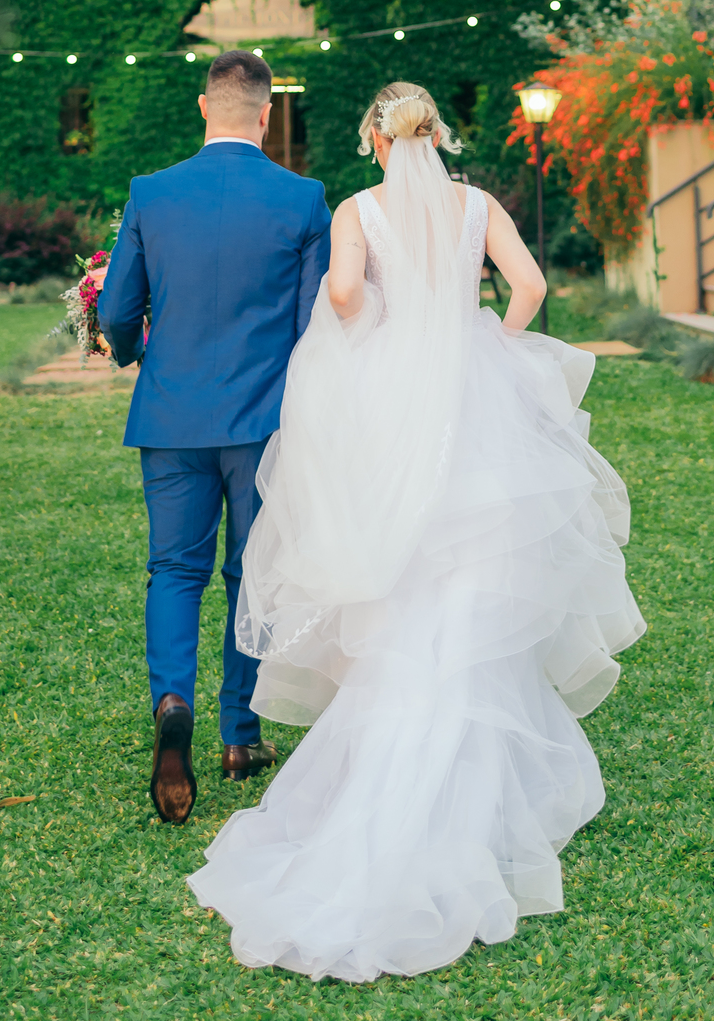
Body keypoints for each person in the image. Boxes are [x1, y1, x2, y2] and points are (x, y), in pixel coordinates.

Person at [188, 80, 646, 983]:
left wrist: (379, 333)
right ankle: (472, 769)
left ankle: (395, 748)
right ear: (437, 132)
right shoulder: (478, 203)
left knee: (399, 570)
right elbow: (530, 285)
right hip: (475, 394)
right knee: (475, 573)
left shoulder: (359, 207)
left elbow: (348, 293)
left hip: (392, 396)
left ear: (374, 137)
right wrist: (494, 341)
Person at [97, 48, 332, 827]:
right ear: (265, 114)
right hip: (263, 424)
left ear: (205, 107)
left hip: (170, 417)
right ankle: (241, 735)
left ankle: (173, 701)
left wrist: (135, 354)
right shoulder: (303, 201)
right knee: (249, 574)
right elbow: (311, 330)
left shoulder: (151, 193)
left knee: (173, 569)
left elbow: (118, 312)